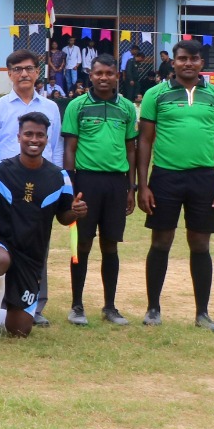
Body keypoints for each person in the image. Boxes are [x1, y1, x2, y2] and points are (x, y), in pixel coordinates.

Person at [137, 39, 214, 332]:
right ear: (174, 61)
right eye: (182, 58)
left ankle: (202, 313)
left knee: (201, 244)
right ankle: (153, 309)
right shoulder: (156, 94)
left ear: (201, 62)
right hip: (165, 177)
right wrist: (143, 185)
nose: (188, 63)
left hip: (204, 179)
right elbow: (145, 141)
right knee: (160, 242)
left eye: (193, 58)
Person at [0, 112, 85, 343]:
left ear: (47, 139)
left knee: (19, 331)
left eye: (40, 135)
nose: (34, 139)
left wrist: (75, 212)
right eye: (28, 134)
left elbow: (64, 217)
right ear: (18, 137)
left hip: (31, 256)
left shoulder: (59, 177)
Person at [0, 48, 63, 325]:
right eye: (17, 69)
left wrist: (60, 181)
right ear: (10, 74)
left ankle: (35, 305)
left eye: (29, 68)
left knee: (39, 243)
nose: (24, 74)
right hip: (7, 188)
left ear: (38, 72)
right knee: (5, 242)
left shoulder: (50, 107)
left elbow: (55, 148)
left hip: (42, 186)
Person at [62, 53, 138, 326]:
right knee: (81, 244)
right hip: (85, 182)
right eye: (98, 73)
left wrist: (131, 187)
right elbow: (69, 148)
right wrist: (70, 187)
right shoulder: (77, 106)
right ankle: (76, 306)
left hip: (117, 183)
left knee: (110, 244)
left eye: (109, 73)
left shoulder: (127, 107)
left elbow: (131, 149)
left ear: (117, 76)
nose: (104, 78)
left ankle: (110, 306)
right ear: (90, 75)